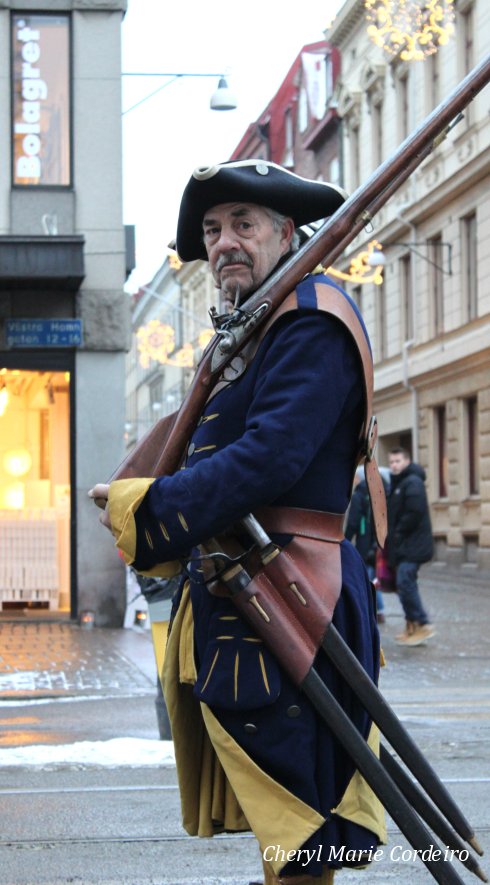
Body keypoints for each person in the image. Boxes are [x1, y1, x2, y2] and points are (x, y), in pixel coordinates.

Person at [89, 160, 386, 885]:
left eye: (243, 224)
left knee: (304, 836)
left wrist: (153, 510)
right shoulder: (253, 333)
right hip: (249, 600)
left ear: (287, 232)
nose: (224, 241)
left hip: (292, 596)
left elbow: (269, 458)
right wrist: (140, 482)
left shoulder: (310, 318)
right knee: (286, 838)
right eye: (215, 229)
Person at [386, 447, 435, 647]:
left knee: (405, 581)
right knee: (404, 583)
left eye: (398, 461)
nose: (394, 465)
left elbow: (414, 512)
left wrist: (397, 533)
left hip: (413, 545)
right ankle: (412, 626)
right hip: (406, 545)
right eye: (391, 462)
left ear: (407, 461)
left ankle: (423, 623)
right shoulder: (400, 483)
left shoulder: (412, 482)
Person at [345, 467, 385, 624]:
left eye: (355, 477)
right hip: (379, 541)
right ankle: (379, 610)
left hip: (364, 541)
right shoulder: (379, 493)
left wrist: (345, 540)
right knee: (373, 575)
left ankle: (374, 610)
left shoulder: (359, 495)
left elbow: (353, 521)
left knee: (367, 577)